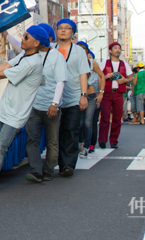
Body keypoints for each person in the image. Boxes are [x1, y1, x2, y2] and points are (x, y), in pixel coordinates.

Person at [0, 25, 48, 197]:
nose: (23, 39)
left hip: (17, 114)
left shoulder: (33, 62)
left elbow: (3, 74)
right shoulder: (23, 55)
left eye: (26, 37)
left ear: (36, 43)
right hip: (5, 108)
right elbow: (4, 66)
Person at [23, 24, 67, 183]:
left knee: (52, 141)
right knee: (32, 140)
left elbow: (60, 82)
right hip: (33, 105)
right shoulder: (28, 54)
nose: (27, 39)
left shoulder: (57, 57)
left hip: (51, 106)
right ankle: (36, 171)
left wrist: (55, 104)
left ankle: (48, 170)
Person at [52, 19, 90, 177]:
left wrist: (83, 95)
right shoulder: (51, 49)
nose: (63, 31)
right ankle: (55, 161)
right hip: (53, 98)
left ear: (72, 32)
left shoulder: (79, 51)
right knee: (55, 132)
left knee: (70, 130)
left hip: (73, 97)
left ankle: (67, 164)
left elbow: (83, 74)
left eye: (67, 28)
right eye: (60, 28)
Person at [98, 42, 132, 149]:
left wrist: (125, 80)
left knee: (117, 118)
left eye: (119, 48)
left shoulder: (124, 64)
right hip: (106, 93)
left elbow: (131, 78)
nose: (117, 50)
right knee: (105, 117)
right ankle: (102, 140)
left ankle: (114, 141)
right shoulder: (104, 63)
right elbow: (98, 76)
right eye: (115, 48)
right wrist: (105, 76)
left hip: (119, 93)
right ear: (110, 51)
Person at [76, 42, 103, 156]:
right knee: (79, 123)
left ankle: (87, 146)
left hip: (91, 96)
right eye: (79, 49)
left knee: (88, 122)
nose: (82, 51)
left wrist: (100, 93)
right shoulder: (73, 62)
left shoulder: (92, 63)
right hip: (77, 95)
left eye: (84, 49)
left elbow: (102, 76)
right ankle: (80, 143)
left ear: (87, 51)